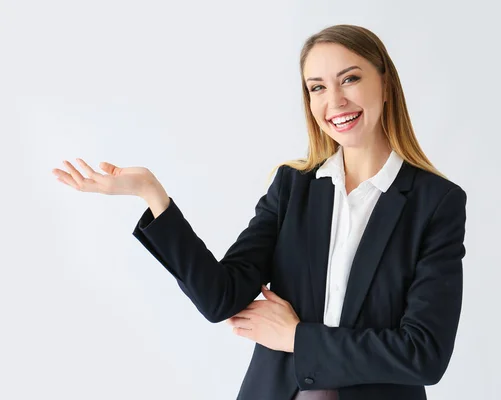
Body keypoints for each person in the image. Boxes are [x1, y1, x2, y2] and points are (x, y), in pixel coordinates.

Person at [52, 24, 467, 400]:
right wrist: (152, 195)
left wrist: (296, 337)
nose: (335, 100)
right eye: (317, 87)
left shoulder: (436, 203)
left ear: (386, 84)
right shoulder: (293, 187)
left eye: (350, 79)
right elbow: (221, 297)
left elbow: (423, 354)